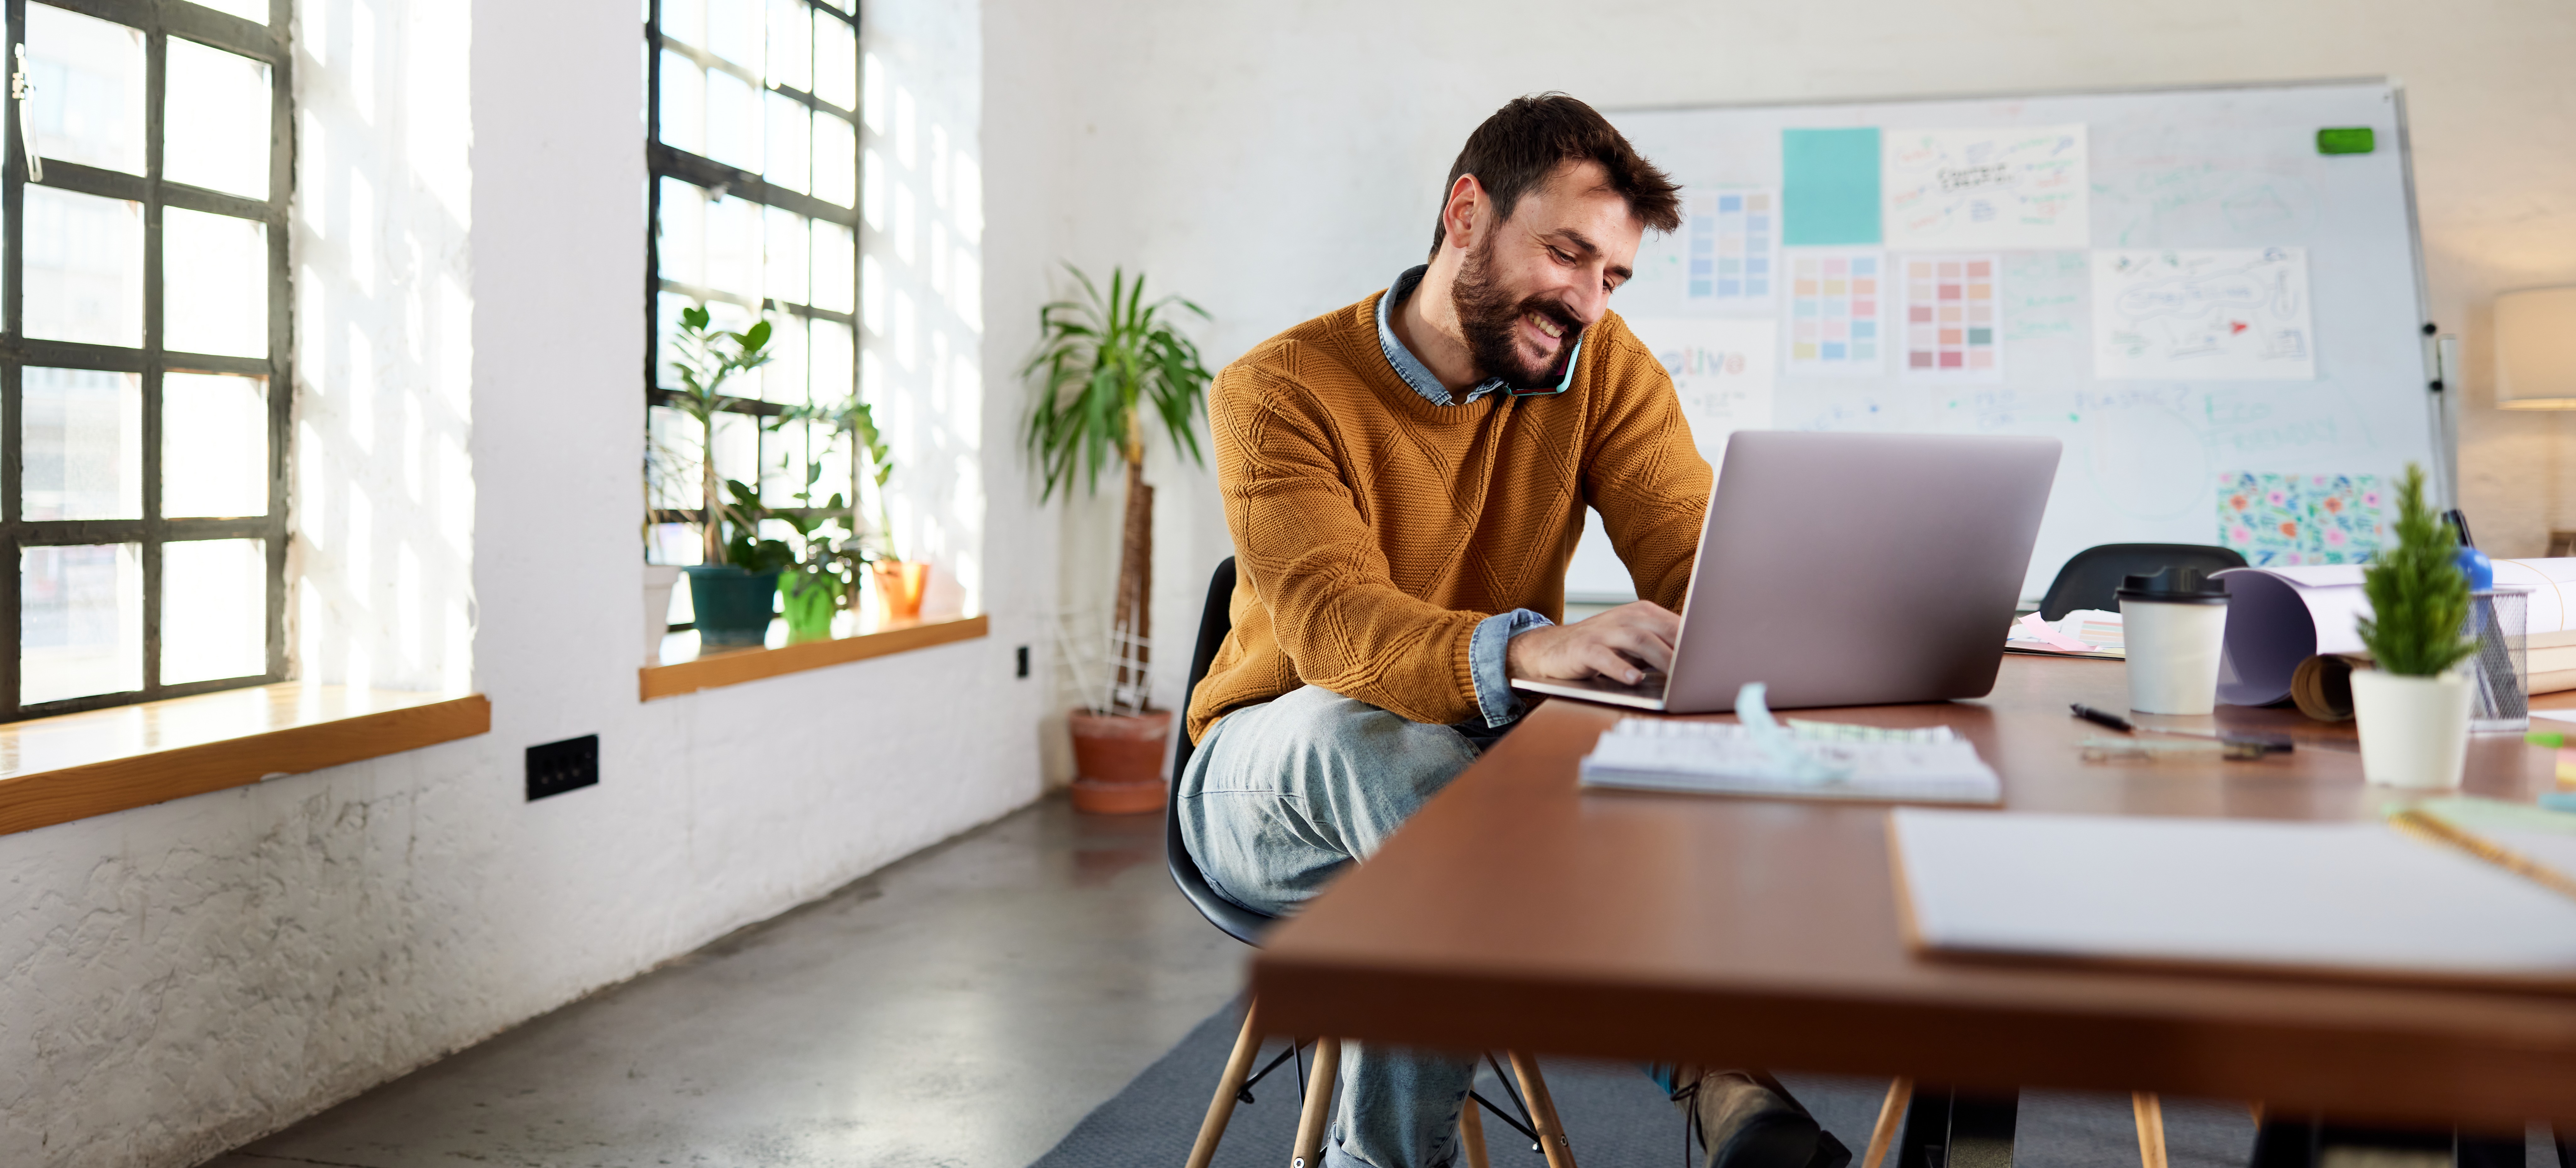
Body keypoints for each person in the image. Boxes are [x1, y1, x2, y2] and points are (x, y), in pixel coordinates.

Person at [1177, 93, 1851, 1168]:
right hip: (1268, 775)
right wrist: (1530, 648)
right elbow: (1336, 631)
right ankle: (1715, 1075)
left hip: (1459, 788)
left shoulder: (1602, 368)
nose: (1588, 300)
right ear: (1464, 215)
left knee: (1457, 836)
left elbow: (1688, 547)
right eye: (1567, 254)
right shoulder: (1278, 390)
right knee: (1379, 742)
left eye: (1614, 276)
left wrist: (1795, 612)